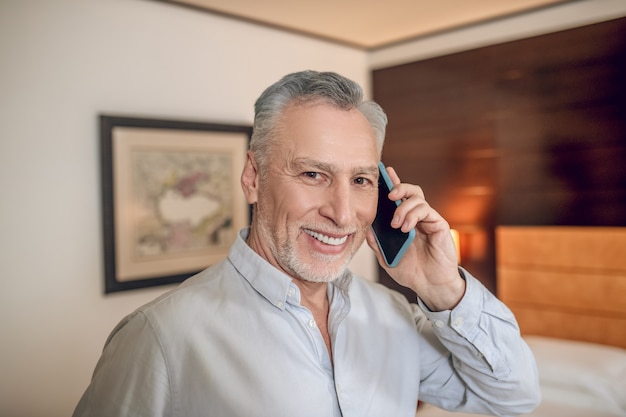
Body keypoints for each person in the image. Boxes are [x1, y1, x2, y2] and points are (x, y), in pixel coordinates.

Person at [73, 70, 540, 417]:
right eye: (313, 174)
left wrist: (443, 291)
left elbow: (513, 397)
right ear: (253, 178)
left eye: (360, 179)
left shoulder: (396, 316)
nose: (341, 213)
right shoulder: (161, 337)